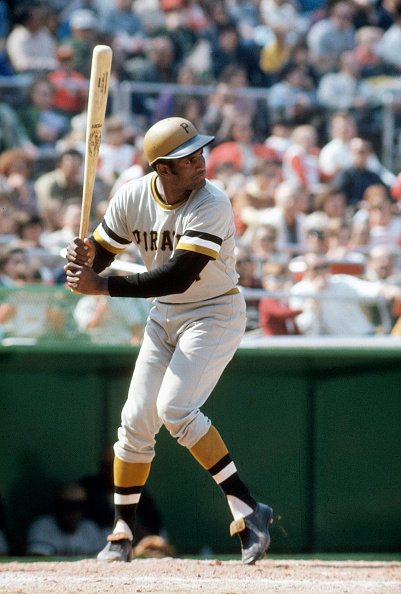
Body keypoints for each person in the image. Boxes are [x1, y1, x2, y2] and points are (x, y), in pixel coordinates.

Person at [65, 116, 273, 564]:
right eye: (188, 158)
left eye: (201, 152)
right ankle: (121, 533)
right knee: (136, 420)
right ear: (162, 169)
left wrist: (100, 285)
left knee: (175, 409)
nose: (201, 162)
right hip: (166, 317)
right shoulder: (133, 197)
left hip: (214, 311)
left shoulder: (212, 202)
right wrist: (87, 259)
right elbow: (103, 250)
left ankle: (246, 507)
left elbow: (178, 276)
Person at [26, 483, 103, 556]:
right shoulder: (42, 527)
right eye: (67, 506)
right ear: (58, 508)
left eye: (78, 507)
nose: (73, 513)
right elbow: (38, 562)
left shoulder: (90, 529)